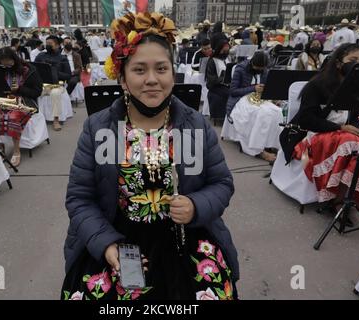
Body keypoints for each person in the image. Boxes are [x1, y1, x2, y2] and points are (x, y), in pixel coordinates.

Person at [61, 12, 238, 300]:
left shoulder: (195, 124)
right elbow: (80, 198)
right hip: (116, 239)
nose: (152, 80)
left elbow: (221, 184)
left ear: (173, 72)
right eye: (140, 70)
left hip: (186, 237)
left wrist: (195, 205)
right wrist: (106, 245)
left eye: (161, 69)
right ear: (122, 78)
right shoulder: (97, 128)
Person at [280, 43, 359, 214]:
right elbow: (307, 120)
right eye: (353, 60)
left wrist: (355, 129)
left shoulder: (354, 88)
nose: (358, 64)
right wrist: (341, 127)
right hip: (310, 135)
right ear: (338, 63)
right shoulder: (316, 85)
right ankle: (335, 199)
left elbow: (352, 119)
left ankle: (345, 194)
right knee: (350, 141)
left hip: (339, 134)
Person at [224, 51, 282, 162]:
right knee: (260, 113)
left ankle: (271, 143)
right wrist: (253, 88)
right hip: (241, 98)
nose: (260, 70)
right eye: (258, 67)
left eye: (262, 68)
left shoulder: (264, 70)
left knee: (277, 111)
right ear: (252, 63)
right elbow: (233, 91)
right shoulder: (240, 69)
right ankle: (258, 150)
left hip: (259, 98)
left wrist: (275, 98)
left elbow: (267, 87)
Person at [0, 47, 42, 167]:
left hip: (26, 101)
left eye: (8, 62)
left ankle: (16, 150)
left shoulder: (28, 70)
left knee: (13, 116)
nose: (5, 65)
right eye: (2, 63)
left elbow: (37, 91)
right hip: (5, 100)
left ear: (14, 59)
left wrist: (20, 89)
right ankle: (0, 148)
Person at [35, 35, 72, 131]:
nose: (47, 45)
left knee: (55, 94)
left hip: (57, 86)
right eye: (46, 44)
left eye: (50, 44)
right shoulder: (40, 56)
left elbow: (68, 75)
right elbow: (34, 69)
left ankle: (56, 119)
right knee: (30, 92)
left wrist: (54, 71)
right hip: (43, 86)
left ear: (57, 45)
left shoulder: (62, 58)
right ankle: (34, 118)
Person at [205, 39, 231, 119]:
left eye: (227, 51)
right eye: (224, 51)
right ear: (219, 50)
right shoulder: (212, 61)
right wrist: (222, 78)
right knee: (231, 93)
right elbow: (211, 79)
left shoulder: (227, 59)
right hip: (216, 86)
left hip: (227, 84)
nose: (226, 53)